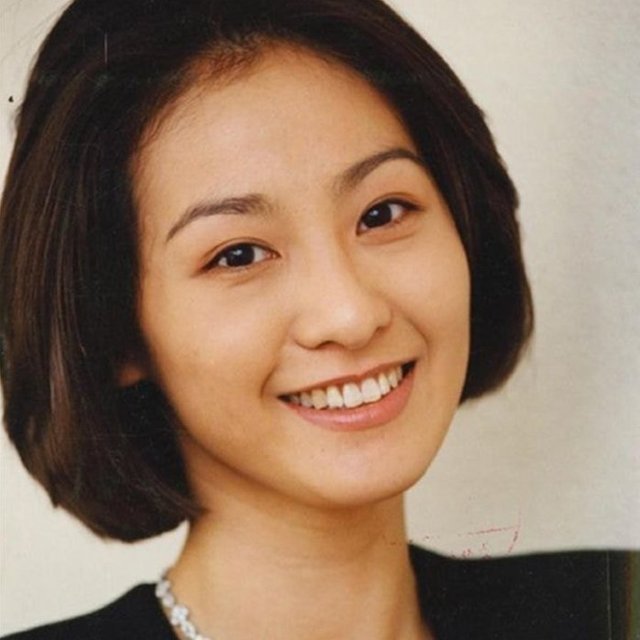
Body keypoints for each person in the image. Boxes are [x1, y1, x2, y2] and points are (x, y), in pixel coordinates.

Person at [0, 0, 634, 638]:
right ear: (112, 331)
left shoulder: (612, 608)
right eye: (239, 254)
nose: (351, 314)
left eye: (382, 213)